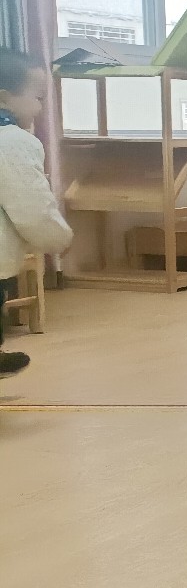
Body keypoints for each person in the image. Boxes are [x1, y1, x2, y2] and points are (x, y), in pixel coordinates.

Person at [0, 49, 73, 377]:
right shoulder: (12, 143)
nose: (41, 107)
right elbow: (32, 207)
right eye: (38, 97)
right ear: (5, 98)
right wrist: (58, 238)